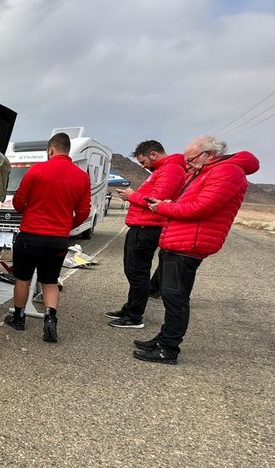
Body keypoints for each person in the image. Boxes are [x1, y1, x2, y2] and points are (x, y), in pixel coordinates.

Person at [133, 136, 258, 364]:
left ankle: (168, 348)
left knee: (175, 298)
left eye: (190, 159)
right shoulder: (208, 171)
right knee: (172, 295)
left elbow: (200, 208)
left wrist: (164, 207)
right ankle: (164, 339)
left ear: (208, 154)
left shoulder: (226, 172)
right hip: (181, 242)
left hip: (188, 245)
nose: (187, 164)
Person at [4, 132, 90, 342]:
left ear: (51, 150)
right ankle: (50, 318)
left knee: (23, 278)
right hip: (57, 239)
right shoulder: (82, 177)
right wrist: (67, 226)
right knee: (50, 281)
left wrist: (27, 210)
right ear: (67, 150)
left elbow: (18, 203)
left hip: (30, 235)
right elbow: (84, 212)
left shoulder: (37, 170)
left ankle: (19, 317)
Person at [106, 141, 186, 328]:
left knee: (137, 272)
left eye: (143, 161)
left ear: (153, 154)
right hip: (142, 226)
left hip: (147, 227)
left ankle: (134, 316)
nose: (142, 166)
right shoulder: (164, 170)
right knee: (133, 270)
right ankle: (130, 308)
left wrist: (132, 196)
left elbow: (156, 201)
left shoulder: (171, 170)